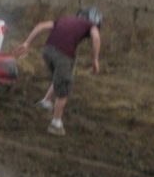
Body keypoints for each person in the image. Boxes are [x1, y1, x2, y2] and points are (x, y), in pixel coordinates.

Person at [14, 7, 102, 136]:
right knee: (64, 86)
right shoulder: (90, 25)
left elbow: (41, 25)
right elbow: (96, 38)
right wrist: (95, 60)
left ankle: (46, 102)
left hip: (47, 51)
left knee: (59, 78)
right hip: (63, 54)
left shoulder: (65, 19)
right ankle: (56, 124)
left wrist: (27, 43)